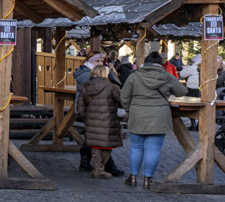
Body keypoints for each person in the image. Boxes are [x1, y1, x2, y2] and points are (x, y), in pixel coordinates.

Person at [121, 51, 188, 188]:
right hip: (159, 116)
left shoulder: (135, 76)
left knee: (136, 147)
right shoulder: (167, 76)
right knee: (153, 149)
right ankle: (148, 179)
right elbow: (182, 91)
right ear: (160, 64)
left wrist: (130, 110)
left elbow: (124, 96)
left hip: (137, 114)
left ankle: (133, 177)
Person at [77, 65, 123, 179]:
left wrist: (86, 117)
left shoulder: (86, 86)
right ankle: (99, 168)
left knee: (95, 144)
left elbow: (80, 105)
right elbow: (122, 100)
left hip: (91, 120)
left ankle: (97, 168)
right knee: (107, 145)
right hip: (107, 120)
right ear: (105, 74)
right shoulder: (111, 87)